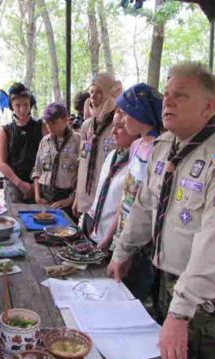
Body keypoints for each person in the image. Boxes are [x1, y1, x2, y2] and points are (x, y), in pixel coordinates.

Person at [108, 62, 215, 359]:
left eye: (180, 95)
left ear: (207, 107)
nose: (168, 101)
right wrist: (123, 250)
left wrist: (181, 311)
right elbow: (145, 207)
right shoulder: (164, 147)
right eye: (168, 94)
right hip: (169, 281)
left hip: (209, 298)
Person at [105, 83, 162, 299]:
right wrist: (110, 237)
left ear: (142, 114)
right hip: (123, 232)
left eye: (127, 114)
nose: (123, 119)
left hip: (141, 241)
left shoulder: (160, 149)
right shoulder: (136, 145)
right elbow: (126, 195)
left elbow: (147, 205)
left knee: (134, 293)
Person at [85, 108, 138, 246]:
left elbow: (126, 205)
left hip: (114, 239)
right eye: (113, 126)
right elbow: (101, 193)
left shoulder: (138, 164)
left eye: (120, 127)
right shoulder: (111, 155)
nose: (113, 132)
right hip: (95, 231)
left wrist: (108, 238)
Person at [72, 73, 122, 219]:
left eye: (99, 92)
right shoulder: (87, 125)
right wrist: (77, 197)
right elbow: (82, 162)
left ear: (110, 94)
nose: (93, 98)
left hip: (106, 202)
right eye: (91, 92)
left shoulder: (118, 124)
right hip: (85, 199)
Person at [0, 82, 45, 205]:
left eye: (26, 105)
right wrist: (19, 183)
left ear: (31, 105)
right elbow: (1, 163)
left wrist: (36, 185)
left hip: (39, 184)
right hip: (13, 185)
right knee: (16, 221)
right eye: (17, 105)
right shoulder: (5, 130)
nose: (22, 110)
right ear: (11, 107)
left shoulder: (41, 126)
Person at [32, 103, 81, 215]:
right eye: (47, 123)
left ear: (65, 119)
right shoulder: (45, 141)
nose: (49, 127)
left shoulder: (78, 141)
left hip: (65, 197)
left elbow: (82, 175)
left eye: (53, 123)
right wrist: (37, 196)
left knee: (64, 230)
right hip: (44, 196)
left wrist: (71, 199)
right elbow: (37, 170)